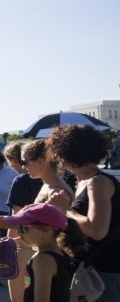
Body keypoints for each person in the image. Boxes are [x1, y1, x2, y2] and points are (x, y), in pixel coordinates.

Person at [46, 125, 120, 302]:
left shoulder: (97, 183)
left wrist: (66, 209)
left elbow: (97, 230)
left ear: (67, 154)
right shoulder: (85, 182)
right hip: (94, 270)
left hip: (103, 273)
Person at [0, 203, 85, 302]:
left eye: (23, 228)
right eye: (18, 227)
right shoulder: (60, 254)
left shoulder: (42, 261)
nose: (19, 232)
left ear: (45, 229)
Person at [3, 141, 44, 302]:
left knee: (20, 292)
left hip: (25, 242)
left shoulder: (21, 181)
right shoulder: (57, 181)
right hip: (50, 244)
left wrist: (8, 244)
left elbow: (16, 217)